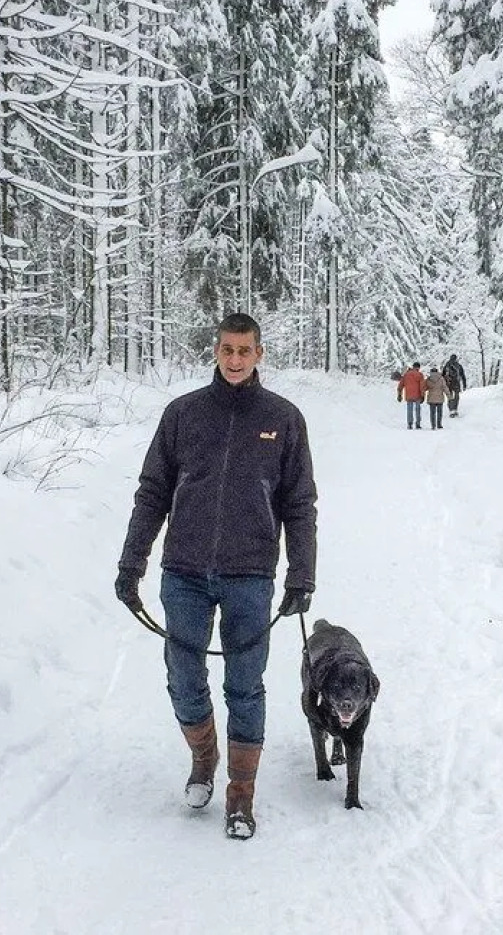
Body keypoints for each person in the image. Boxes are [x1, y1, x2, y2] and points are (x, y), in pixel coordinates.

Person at [115, 312, 317, 841]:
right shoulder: (183, 414)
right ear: (215, 351)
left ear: (259, 354)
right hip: (183, 570)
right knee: (183, 681)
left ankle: (241, 796)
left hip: (251, 574)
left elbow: (299, 504)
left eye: (244, 351)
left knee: (245, 688)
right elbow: (152, 492)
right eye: (226, 350)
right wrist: (131, 563)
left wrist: (302, 574)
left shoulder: (284, 418)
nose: (234, 360)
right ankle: (204, 760)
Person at [397, 361, 426, 429]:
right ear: (418, 367)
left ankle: (409, 424)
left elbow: (400, 386)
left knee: (409, 409)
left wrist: (399, 395)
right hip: (417, 396)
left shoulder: (406, 375)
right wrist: (423, 395)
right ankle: (418, 424)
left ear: (413, 367)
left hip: (409, 395)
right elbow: (422, 386)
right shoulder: (420, 375)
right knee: (418, 409)